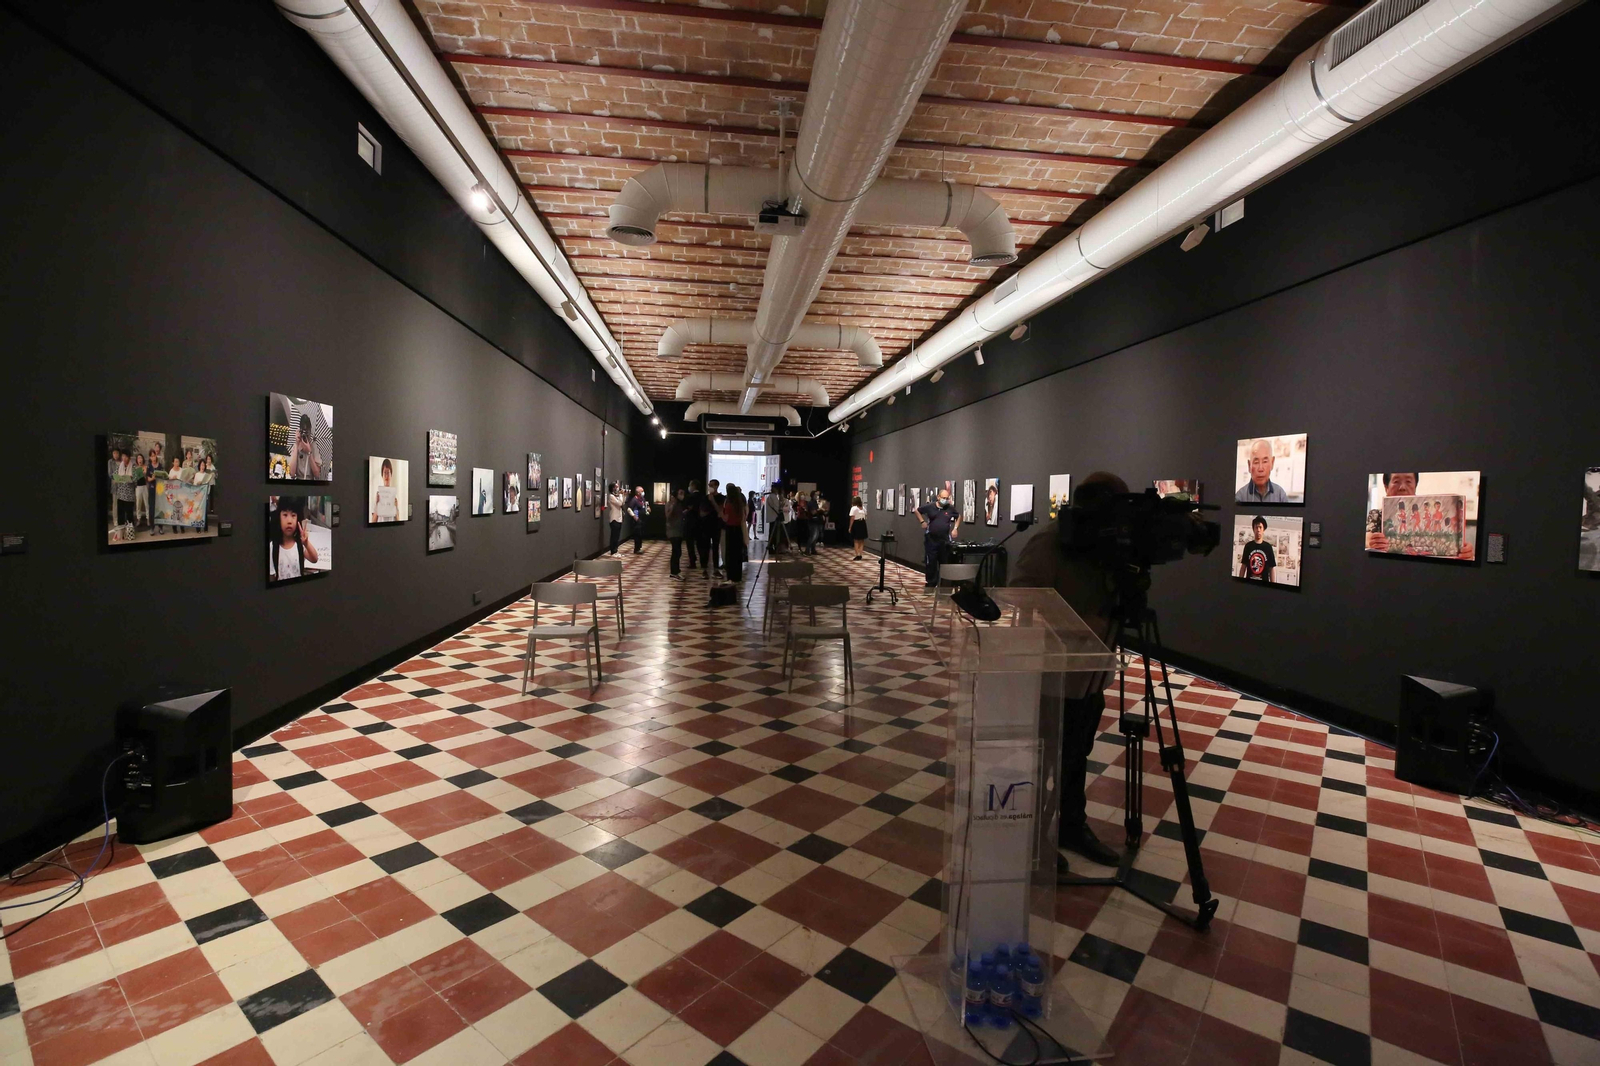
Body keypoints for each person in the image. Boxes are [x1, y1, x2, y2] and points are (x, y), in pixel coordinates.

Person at [1009, 472, 1135, 868]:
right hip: (1049, 676)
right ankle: (1028, 837)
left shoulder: (1105, 544)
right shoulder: (1050, 541)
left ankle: (1071, 825)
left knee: (1078, 753)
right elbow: (1021, 593)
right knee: (1043, 758)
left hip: (1089, 673)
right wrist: (1082, 623)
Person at [1366, 472, 1474, 559]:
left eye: (1408, 481)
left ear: (1415, 486)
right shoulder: (1376, 515)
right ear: (1386, 487)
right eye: (1396, 481)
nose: (1402, 487)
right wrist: (1371, 541)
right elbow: (1366, 537)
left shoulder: (1424, 512)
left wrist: (1464, 550)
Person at [916, 485, 961, 587]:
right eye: (943, 498)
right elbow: (917, 511)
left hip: (944, 540)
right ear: (938, 497)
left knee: (944, 562)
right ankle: (931, 582)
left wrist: (955, 528)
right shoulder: (930, 507)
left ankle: (944, 583)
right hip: (931, 539)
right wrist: (922, 521)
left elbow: (958, 516)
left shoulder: (950, 509)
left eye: (947, 498)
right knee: (931, 561)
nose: (945, 500)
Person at [270, 496, 320, 581]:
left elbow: (314, 559)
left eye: (293, 515)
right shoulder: (273, 547)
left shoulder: (300, 544)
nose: (289, 521)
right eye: (285, 515)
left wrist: (306, 543)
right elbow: (271, 577)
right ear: (279, 517)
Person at [1235, 439, 1289, 504]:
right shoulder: (1240, 497)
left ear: (1272, 463)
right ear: (1249, 465)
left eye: (1265, 461)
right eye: (1256, 462)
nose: (1260, 468)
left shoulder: (1280, 495)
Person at [1237, 516, 1276, 582]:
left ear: (1263, 529)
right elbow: (1243, 566)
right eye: (1256, 527)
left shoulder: (1268, 547)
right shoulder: (1248, 546)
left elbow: (1271, 568)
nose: (1258, 530)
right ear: (1253, 529)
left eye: (1260, 527)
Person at [722, 483, 747, 582]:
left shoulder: (728, 505)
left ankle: (731, 576)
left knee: (730, 554)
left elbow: (726, 518)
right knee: (737, 554)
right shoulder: (739, 505)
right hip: (738, 530)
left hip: (730, 529)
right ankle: (738, 576)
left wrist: (721, 513)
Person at [698, 479, 724, 575]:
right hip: (705, 525)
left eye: (712, 485)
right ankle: (704, 569)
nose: (710, 487)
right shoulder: (705, 498)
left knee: (716, 547)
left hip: (716, 525)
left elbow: (720, 512)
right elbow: (702, 512)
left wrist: (713, 502)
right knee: (705, 547)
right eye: (709, 485)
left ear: (717, 486)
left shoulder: (721, 498)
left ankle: (716, 569)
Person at [291, 413, 325, 480]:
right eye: (303, 431)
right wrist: (297, 444)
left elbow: (317, 475)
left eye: (307, 431)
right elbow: (292, 473)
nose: (305, 434)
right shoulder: (296, 444)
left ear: (310, 430)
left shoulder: (314, 445)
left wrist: (309, 452)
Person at [665, 488, 687, 578]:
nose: (682, 495)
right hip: (673, 531)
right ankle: (674, 572)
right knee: (676, 551)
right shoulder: (670, 504)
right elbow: (668, 516)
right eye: (681, 493)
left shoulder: (680, 504)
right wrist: (673, 506)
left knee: (678, 551)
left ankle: (676, 571)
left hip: (679, 530)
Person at [371, 457, 398, 523]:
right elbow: (373, 521)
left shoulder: (395, 495)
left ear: (391, 475)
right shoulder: (377, 495)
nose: (386, 476)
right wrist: (377, 503)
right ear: (382, 475)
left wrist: (396, 507)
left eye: (388, 472)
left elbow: (398, 520)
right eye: (384, 473)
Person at [684, 480, 703, 570]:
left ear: (693, 486)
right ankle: (703, 562)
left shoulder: (690, 497)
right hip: (700, 523)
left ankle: (692, 561)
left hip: (690, 523)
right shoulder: (703, 497)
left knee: (690, 543)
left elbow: (688, 508)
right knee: (700, 544)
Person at [627, 486, 649, 553]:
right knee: (637, 534)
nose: (643, 492)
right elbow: (629, 509)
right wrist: (634, 516)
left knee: (640, 534)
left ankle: (639, 547)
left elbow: (645, 506)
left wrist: (648, 509)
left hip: (642, 519)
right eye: (641, 491)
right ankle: (636, 549)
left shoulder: (642, 499)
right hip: (637, 520)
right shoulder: (634, 500)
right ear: (638, 492)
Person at [607, 482, 627, 555]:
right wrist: (621, 495)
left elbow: (623, 502)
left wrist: (624, 495)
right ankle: (613, 551)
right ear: (613, 488)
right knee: (614, 536)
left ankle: (616, 550)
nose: (618, 488)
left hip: (619, 518)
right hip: (614, 518)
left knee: (617, 535)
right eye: (616, 487)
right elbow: (619, 504)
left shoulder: (617, 496)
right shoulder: (611, 496)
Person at [849, 495, 869, 559]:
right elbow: (866, 515)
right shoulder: (863, 508)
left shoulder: (853, 508)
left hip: (856, 523)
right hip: (862, 523)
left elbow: (852, 518)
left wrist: (850, 527)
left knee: (856, 540)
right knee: (861, 540)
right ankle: (860, 554)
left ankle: (857, 554)